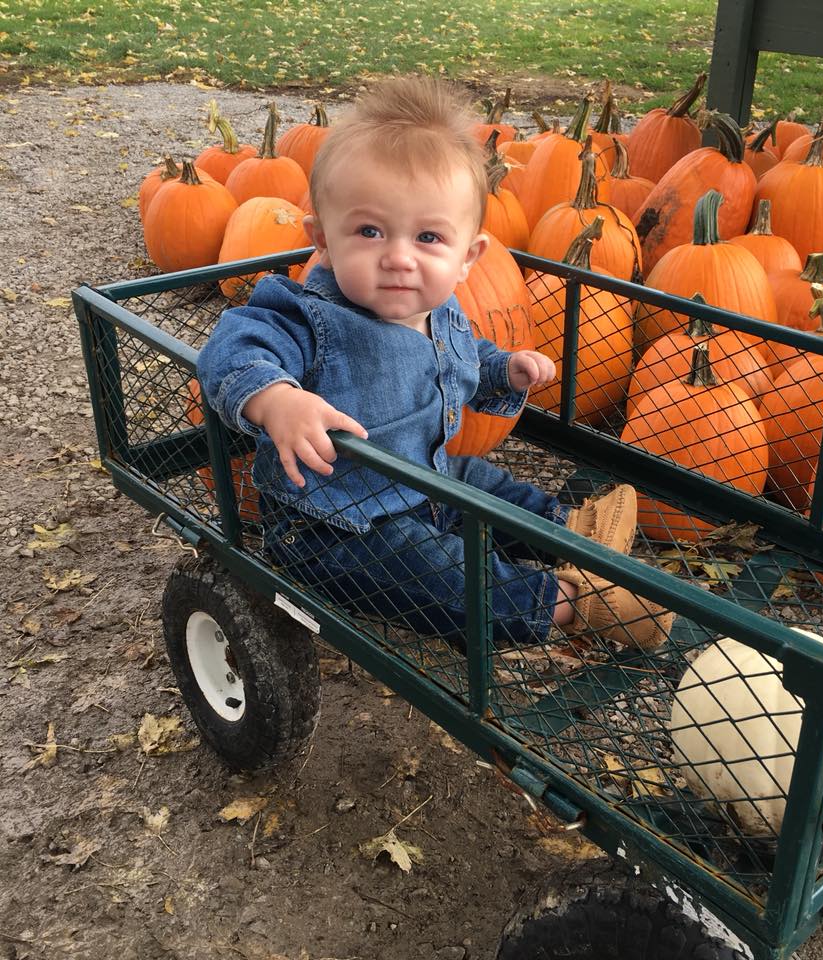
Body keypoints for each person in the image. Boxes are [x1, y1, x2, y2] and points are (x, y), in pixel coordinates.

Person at [197, 76, 673, 653]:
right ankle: (571, 603)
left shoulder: (440, 309)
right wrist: (277, 399)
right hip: (339, 527)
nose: (398, 256)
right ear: (322, 239)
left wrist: (503, 371)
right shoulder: (308, 313)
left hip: (431, 479)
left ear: (468, 257)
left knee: (490, 487)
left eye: (427, 237)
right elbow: (233, 346)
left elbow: (464, 357)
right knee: (445, 579)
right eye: (369, 231)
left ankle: (572, 532)